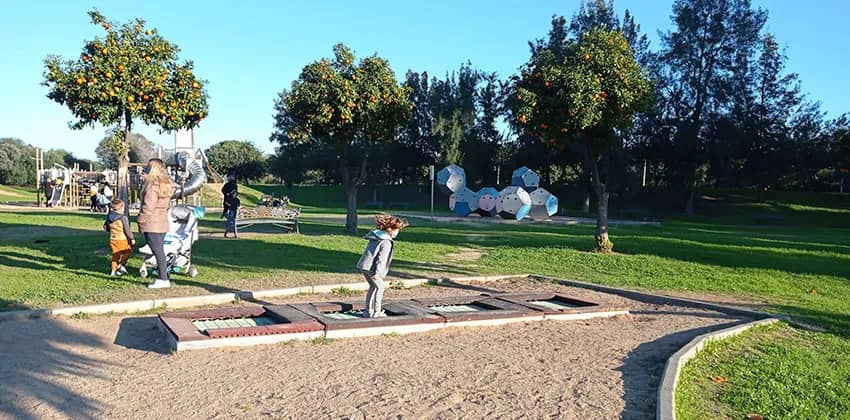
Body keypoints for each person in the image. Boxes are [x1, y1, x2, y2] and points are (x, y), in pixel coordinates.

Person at [356, 214, 409, 318]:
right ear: (391, 229)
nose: (398, 232)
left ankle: (368, 311)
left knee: (373, 287)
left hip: (364, 265)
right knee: (380, 287)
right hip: (373, 269)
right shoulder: (386, 242)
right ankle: (377, 312)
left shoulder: (377, 236)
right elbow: (381, 258)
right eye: (397, 229)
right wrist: (378, 273)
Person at [137, 158, 175, 289]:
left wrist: (140, 219)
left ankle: (163, 278)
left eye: (148, 168)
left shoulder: (153, 185)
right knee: (159, 250)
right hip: (162, 221)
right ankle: (164, 275)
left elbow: (149, 205)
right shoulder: (165, 184)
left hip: (152, 222)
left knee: (158, 251)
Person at [103, 199, 135, 276]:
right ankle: (122, 265)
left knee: (115, 255)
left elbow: (105, 227)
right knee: (127, 251)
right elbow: (127, 230)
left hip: (113, 239)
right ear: (121, 208)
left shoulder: (109, 217)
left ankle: (113, 270)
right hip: (122, 239)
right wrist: (132, 238)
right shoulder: (123, 218)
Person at [221, 172, 239, 238]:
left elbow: (236, 192)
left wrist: (234, 194)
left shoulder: (235, 185)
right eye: (231, 176)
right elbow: (223, 190)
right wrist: (227, 193)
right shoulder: (227, 184)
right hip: (228, 199)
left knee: (231, 218)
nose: (232, 178)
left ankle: (229, 222)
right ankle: (225, 214)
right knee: (227, 211)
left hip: (232, 204)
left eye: (232, 177)